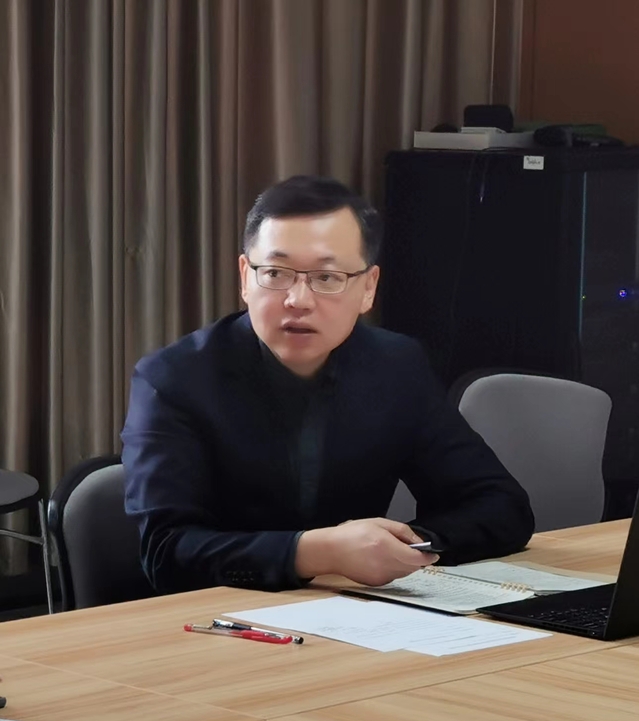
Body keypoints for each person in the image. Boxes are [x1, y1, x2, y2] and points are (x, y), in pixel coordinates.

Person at [121, 175, 534, 594]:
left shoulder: (395, 365)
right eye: (276, 273)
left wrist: (402, 547)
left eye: (327, 277)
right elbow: (166, 553)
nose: (298, 300)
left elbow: (501, 506)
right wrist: (323, 552)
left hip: (354, 610)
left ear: (368, 288)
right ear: (245, 277)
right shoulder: (173, 380)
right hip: (212, 615)